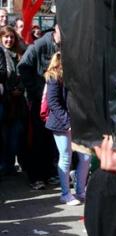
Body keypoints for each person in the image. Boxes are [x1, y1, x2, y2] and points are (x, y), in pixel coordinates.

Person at [43, 51, 90, 204]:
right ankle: (65, 194)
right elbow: (53, 103)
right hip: (61, 123)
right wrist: (67, 122)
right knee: (65, 157)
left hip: (76, 122)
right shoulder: (53, 77)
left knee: (86, 157)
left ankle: (80, 190)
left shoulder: (75, 75)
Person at [18, 23, 61, 189]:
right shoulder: (40, 44)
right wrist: (35, 90)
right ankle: (35, 176)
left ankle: (49, 173)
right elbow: (23, 66)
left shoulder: (65, 45)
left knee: (51, 139)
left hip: (55, 101)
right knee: (37, 138)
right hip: (39, 101)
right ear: (56, 29)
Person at [0, 25, 27, 176]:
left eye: (11, 37)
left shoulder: (19, 54)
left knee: (15, 136)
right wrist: (10, 91)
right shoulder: (0, 53)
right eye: (6, 37)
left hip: (18, 103)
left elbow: (24, 74)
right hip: (5, 100)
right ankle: (5, 166)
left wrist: (21, 89)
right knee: (4, 136)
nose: (9, 40)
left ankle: (10, 166)